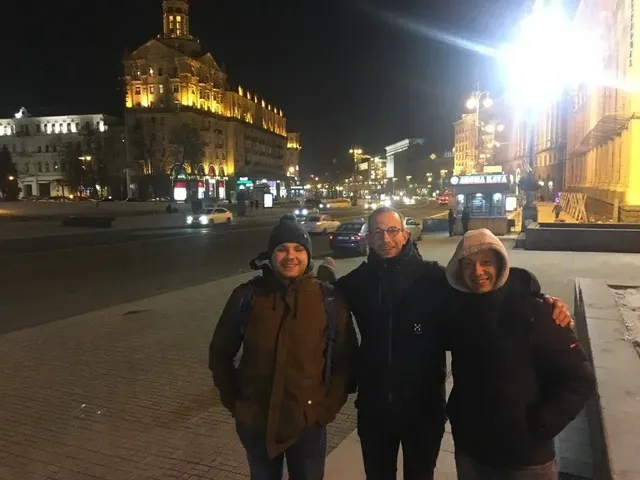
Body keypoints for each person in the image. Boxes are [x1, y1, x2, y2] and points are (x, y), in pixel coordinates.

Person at [316, 207, 572, 480]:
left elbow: (485, 287)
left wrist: (538, 295)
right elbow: (323, 298)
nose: (385, 239)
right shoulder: (357, 283)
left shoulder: (434, 279)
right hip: (374, 411)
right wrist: (322, 278)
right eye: (377, 232)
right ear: (368, 238)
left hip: (423, 411)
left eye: (392, 231)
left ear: (405, 235)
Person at [210, 217, 358, 480]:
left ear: (308, 255)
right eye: (282, 249)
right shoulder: (247, 297)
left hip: (308, 424)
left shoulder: (329, 299)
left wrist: (325, 410)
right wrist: (236, 404)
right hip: (257, 423)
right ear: (271, 254)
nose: (291, 256)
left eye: (298, 249)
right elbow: (220, 353)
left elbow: (345, 361)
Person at [444, 229, 595, 479]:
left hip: (525, 460)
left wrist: (541, 425)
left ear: (501, 264)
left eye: (486, 262)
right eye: (468, 264)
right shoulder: (459, 312)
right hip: (471, 452)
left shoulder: (536, 312)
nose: (477, 272)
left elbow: (580, 378)